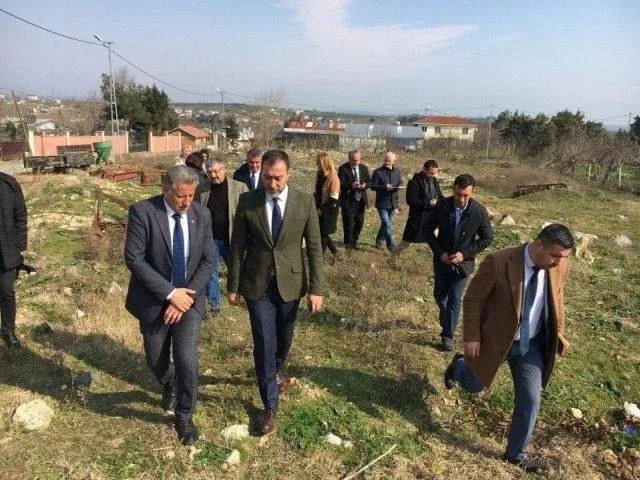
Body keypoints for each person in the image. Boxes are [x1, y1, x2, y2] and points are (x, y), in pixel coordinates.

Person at [443, 224, 575, 473]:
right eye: (555, 255)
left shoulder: (559, 266)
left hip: (531, 345)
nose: (559, 262)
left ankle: (516, 454)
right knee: (474, 385)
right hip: (495, 340)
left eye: (564, 257)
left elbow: (557, 297)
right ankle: (459, 366)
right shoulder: (499, 261)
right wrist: (472, 336)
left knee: (531, 398)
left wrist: (558, 331)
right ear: (538, 245)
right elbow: (473, 298)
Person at [228, 149, 324, 435]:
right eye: (267, 178)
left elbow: (315, 248)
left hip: (291, 283)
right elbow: (237, 247)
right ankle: (269, 404)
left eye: (278, 178)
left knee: (284, 339)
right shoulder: (248, 201)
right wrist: (233, 285)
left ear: (288, 174)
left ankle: (273, 371)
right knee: (264, 341)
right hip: (257, 284)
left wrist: (317, 289)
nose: (272, 184)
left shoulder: (304, 202)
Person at [124, 165, 216, 445]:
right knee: (156, 359)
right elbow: (135, 259)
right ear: (165, 190)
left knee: (187, 358)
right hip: (154, 300)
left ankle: (184, 415)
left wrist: (184, 297)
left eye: (191, 196)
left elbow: (208, 260)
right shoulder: (143, 212)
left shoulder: (202, 214)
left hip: (189, 300)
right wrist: (170, 293)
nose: (187, 202)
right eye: (181, 196)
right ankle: (170, 381)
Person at [424, 173, 493, 351]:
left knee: (455, 299)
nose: (461, 199)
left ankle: (447, 336)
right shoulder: (442, 205)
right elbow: (427, 230)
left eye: (466, 196)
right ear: (453, 189)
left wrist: (464, 254)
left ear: (473, 192)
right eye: (458, 194)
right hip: (442, 261)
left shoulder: (478, 211)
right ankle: (447, 317)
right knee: (440, 297)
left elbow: (487, 238)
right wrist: (440, 253)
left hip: (463, 265)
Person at [195, 157, 248, 313]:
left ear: (224, 169)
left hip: (233, 238)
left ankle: (244, 298)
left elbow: (249, 214)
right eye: (209, 172)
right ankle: (214, 305)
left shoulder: (239, 187)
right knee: (211, 272)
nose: (213, 175)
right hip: (210, 239)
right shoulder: (201, 189)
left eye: (215, 171)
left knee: (237, 270)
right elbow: (196, 211)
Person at [392, 159, 443, 257]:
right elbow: (411, 201)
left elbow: (440, 196)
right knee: (407, 242)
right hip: (418, 218)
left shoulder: (434, 181)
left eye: (434, 173)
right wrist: (428, 203)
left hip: (432, 217)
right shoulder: (414, 182)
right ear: (424, 169)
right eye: (431, 173)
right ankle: (392, 258)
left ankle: (441, 261)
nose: (433, 175)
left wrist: (443, 202)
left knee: (436, 241)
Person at [0, 172, 28, 348]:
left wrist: (18, 246)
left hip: (6, 250)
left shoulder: (9, 184)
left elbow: (21, 216)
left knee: (6, 291)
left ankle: (8, 330)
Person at [338, 149, 370, 251]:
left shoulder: (363, 168)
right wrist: (351, 185)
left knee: (360, 223)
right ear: (349, 158)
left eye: (358, 160)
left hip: (360, 200)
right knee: (348, 224)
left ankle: (354, 241)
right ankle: (348, 245)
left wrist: (365, 185)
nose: (356, 162)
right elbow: (340, 184)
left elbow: (369, 181)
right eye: (354, 160)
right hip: (348, 200)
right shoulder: (343, 168)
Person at [370, 152, 403, 252]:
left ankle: (379, 241)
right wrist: (384, 187)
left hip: (393, 202)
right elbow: (373, 186)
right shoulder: (377, 172)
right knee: (387, 224)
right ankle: (391, 246)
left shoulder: (397, 171)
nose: (386, 162)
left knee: (385, 224)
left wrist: (398, 186)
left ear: (394, 162)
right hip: (382, 203)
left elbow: (400, 182)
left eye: (389, 161)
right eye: (386, 160)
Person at [313, 152, 341, 262]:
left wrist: (321, 210)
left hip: (329, 210)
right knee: (322, 233)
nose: (317, 164)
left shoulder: (334, 178)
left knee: (323, 233)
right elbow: (317, 192)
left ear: (325, 163)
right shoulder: (320, 175)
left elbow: (333, 199)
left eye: (319, 162)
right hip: (319, 208)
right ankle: (335, 252)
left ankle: (320, 259)